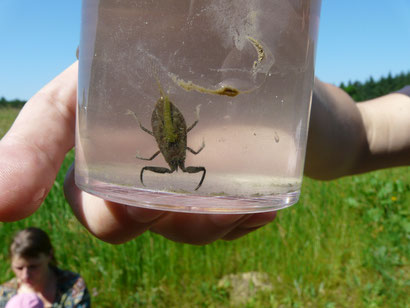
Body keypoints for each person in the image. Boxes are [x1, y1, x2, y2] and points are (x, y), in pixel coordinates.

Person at [0, 62, 409, 245]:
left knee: (158, 144)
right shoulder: (177, 153)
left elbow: (170, 152)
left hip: (169, 129)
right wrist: (287, 90)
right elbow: (366, 135)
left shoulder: (172, 155)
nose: (179, 167)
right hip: (171, 126)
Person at [0, 227, 90, 307]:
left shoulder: (73, 287)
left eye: (33, 267)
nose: (25, 275)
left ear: (49, 255)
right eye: (19, 268)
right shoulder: (4, 295)